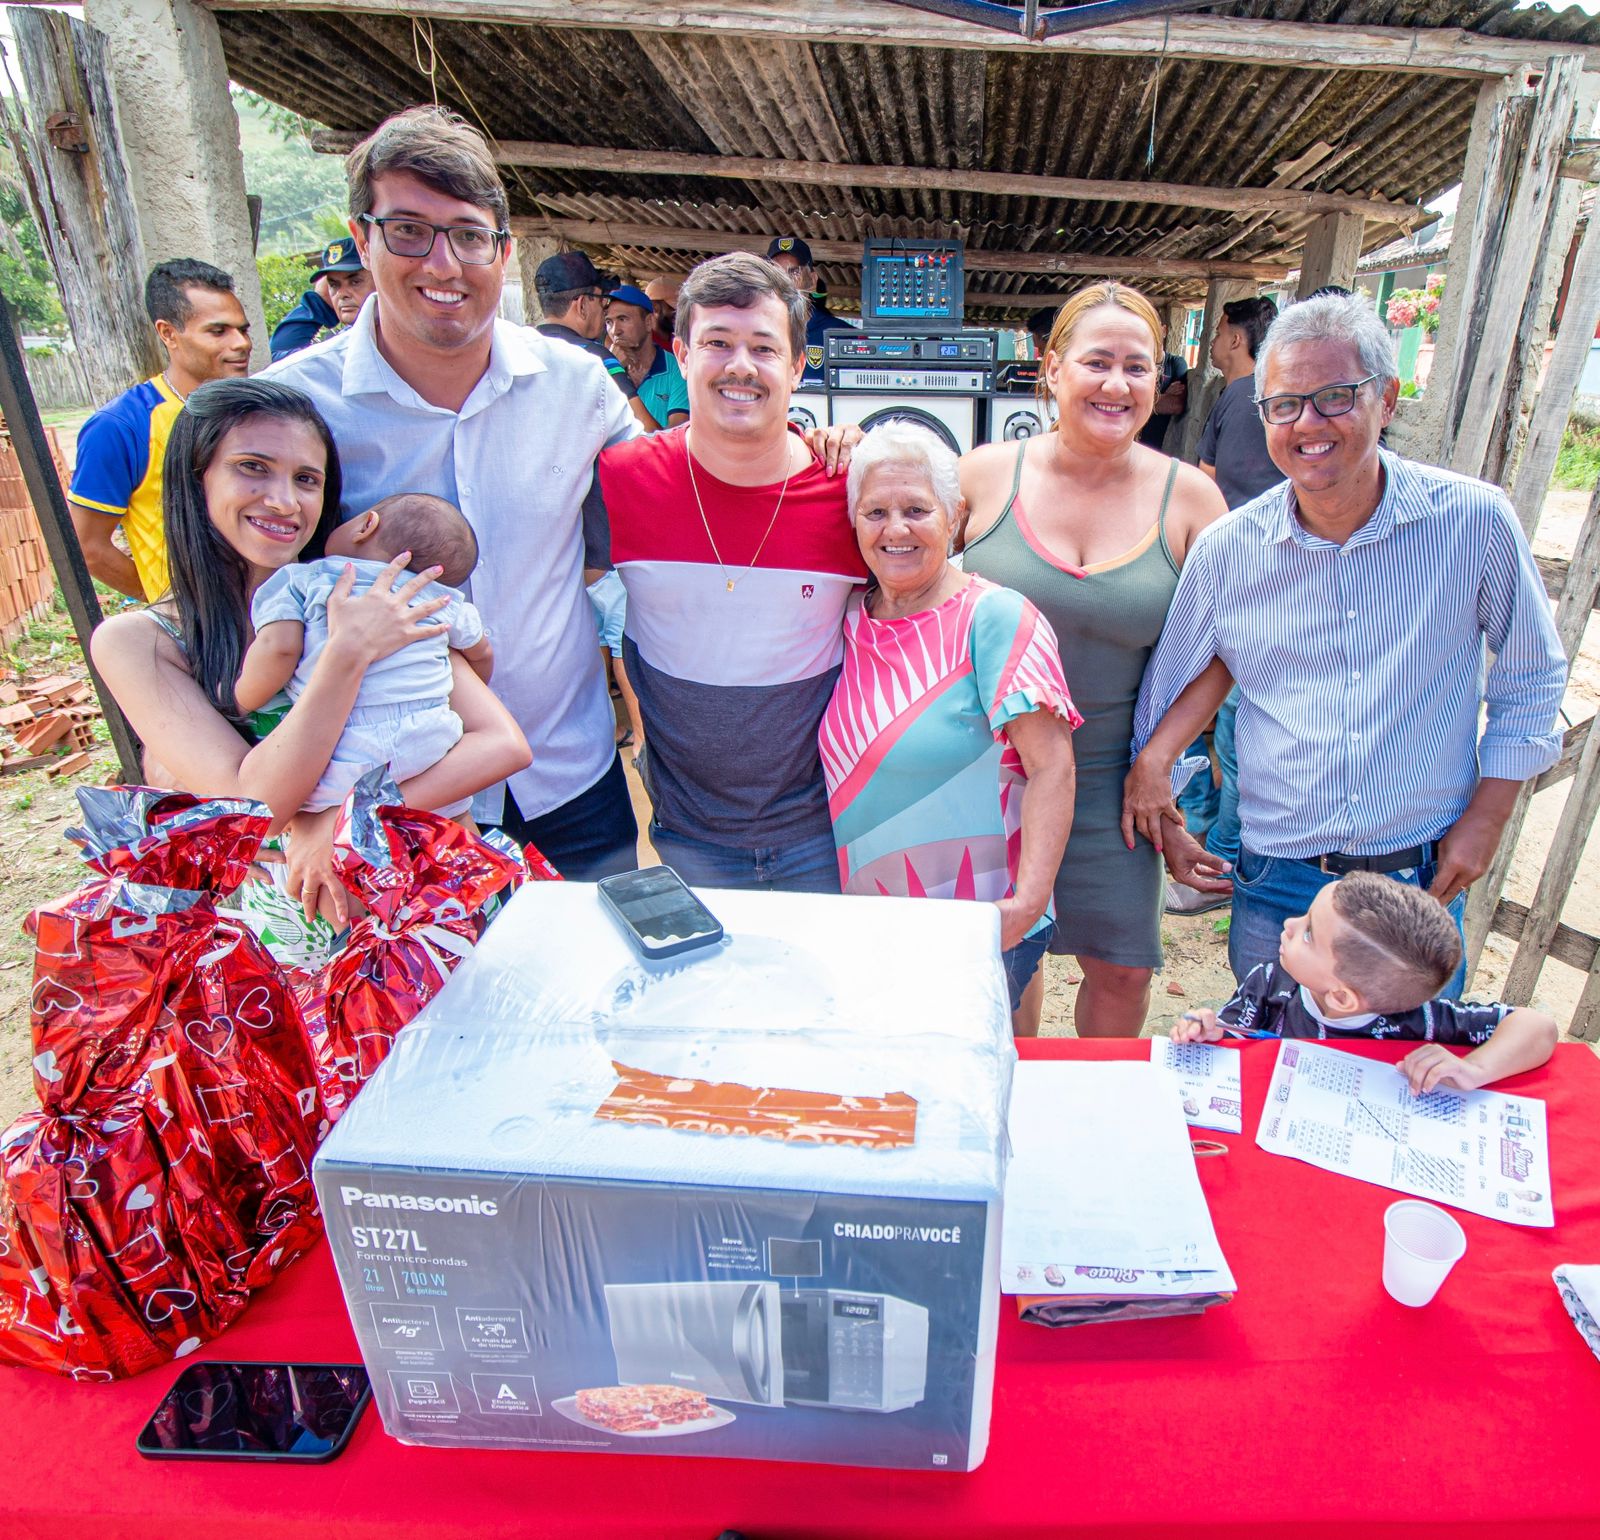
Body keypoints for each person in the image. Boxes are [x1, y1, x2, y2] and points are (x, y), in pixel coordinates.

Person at [1126, 291, 1567, 993]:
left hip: (1416, 881)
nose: (1308, 424)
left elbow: (1533, 680)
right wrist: (1167, 800)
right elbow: (1175, 682)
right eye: (1285, 405)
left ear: (1386, 399)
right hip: (1277, 882)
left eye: (1335, 397)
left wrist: (1488, 817)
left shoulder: (1472, 523)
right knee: (1276, 1069)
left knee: (1405, 1077)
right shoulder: (1230, 550)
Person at [263, 105, 644, 882]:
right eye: (408, 230)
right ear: (362, 237)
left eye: (468, 235)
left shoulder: (575, 386)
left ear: (502, 252)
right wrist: (301, 807)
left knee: (594, 994)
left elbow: (674, 488)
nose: (443, 265)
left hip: (567, 776)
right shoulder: (292, 410)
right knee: (411, 1004)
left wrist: (819, 451)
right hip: (381, 805)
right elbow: (239, 599)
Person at [87, 377, 529, 923]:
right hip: (306, 939)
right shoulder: (142, 642)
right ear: (194, 477)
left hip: (440, 898)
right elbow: (258, 811)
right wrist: (347, 656)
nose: (283, 500)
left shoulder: (369, 590)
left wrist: (332, 823)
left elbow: (499, 742)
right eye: (252, 467)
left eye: (306, 479)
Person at [959, 282, 1227, 1037]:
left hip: (1116, 779)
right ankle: (1017, 1103)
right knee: (1009, 960)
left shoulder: (1193, 501)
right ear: (1051, 368)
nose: (1117, 385)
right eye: (1097, 362)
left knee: (1121, 967)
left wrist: (1161, 761)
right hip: (989, 776)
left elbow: (1228, 648)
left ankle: (1093, 1115)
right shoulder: (982, 478)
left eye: (1138, 368)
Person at [597, 252, 867, 893]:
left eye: (764, 348)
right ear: (682, 355)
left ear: (798, 367)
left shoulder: (851, 492)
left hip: (827, 826)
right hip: (686, 830)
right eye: (718, 342)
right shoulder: (620, 480)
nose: (741, 366)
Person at [819, 421, 1078, 1033]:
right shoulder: (850, 618)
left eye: (916, 508)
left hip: (977, 922)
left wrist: (1026, 905)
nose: (896, 529)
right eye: (875, 511)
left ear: (956, 516)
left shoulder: (997, 619)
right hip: (875, 924)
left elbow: (1053, 767)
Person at [1170, 872, 1558, 1094]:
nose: (1289, 925)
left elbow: (1538, 1028)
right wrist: (1207, 1030)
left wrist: (1474, 1069)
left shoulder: (1421, 1019)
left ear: (1341, 996)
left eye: (1308, 933)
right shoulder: (1271, 982)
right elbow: (1229, 1035)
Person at [237, 492, 494, 818]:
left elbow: (279, 649)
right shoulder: (442, 600)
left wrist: (239, 699)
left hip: (348, 752)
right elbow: (482, 652)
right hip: (432, 742)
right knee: (451, 813)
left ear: (365, 525)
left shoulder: (305, 579)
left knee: (283, 810)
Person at [1166, 294, 1282, 918]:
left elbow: (1205, 482)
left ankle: (1218, 855)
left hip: (1227, 580)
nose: (1212, 345)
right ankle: (1217, 848)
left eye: (1217, 333)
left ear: (1237, 339)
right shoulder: (1257, 398)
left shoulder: (1236, 399)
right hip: (1274, 585)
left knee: (1219, 728)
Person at [69, 259, 252, 601]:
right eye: (219, 331)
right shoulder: (122, 426)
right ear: (168, 333)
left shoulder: (254, 409)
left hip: (274, 620)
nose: (241, 343)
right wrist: (173, 606)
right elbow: (87, 545)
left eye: (243, 330)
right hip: (196, 636)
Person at [532, 250, 656, 430]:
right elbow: (646, 431)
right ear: (582, 305)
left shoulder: (520, 351)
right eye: (601, 301)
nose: (604, 310)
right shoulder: (597, 359)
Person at [269, 237, 376, 361]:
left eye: (355, 282)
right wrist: (319, 302)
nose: (342, 294)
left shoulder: (391, 336)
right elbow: (279, 357)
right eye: (334, 285)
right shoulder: (345, 342)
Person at [767, 236, 849, 385]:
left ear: (812, 281)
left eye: (794, 272)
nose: (785, 281)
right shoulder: (755, 330)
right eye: (777, 273)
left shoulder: (841, 334)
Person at [606, 283, 689, 429]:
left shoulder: (677, 370)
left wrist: (618, 377)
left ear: (649, 322)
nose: (615, 330)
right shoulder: (602, 368)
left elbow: (672, 441)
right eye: (609, 322)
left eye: (623, 319)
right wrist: (610, 371)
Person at [1135, 350, 1188, 452]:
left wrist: (1138, 401)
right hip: (1134, 444)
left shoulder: (1175, 363)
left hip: (1160, 448)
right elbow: (1128, 400)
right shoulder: (1136, 364)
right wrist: (1165, 395)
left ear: (1164, 333)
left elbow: (1174, 405)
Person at [645, 275, 682, 350]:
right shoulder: (644, 345)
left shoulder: (680, 342)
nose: (679, 314)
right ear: (655, 307)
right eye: (672, 308)